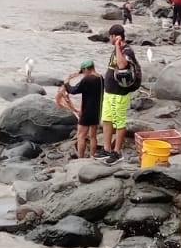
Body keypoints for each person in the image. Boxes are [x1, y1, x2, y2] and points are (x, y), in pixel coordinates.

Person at [100, 26, 142, 161]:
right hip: (109, 92)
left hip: (119, 93)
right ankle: (106, 149)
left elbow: (122, 65)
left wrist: (118, 46)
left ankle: (117, 152)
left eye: (110, 36)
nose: (109, 39)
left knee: (119, 122)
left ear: (115, 36)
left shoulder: (127, 50)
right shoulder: (117, 49)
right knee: (107, 119)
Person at [55, 59, 105, 159]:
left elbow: (73, 90)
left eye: (83, 71)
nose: (83, 73)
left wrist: (66, 83)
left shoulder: (87, 79)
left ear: (87, 69)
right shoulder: (100, 78)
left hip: (87, 111)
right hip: (97, 110)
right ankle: (92, 156)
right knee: (93, 136)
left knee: (81, 135)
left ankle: (80, 157)